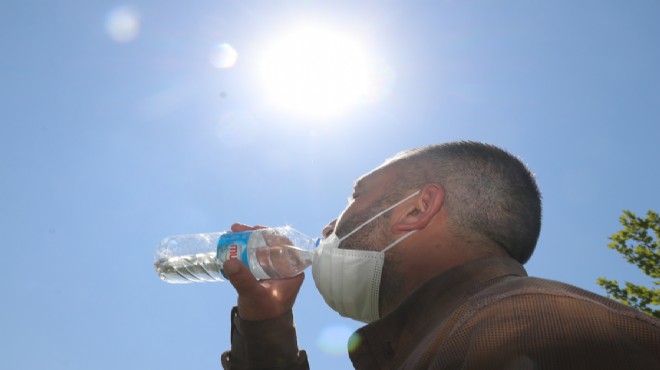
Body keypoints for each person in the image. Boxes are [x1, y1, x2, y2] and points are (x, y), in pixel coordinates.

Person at [220, 141, 660, 369]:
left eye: (356, 197)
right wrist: (267, 323)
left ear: (416, 208)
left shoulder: (533, 334)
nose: (328, 228)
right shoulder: (462, 335)